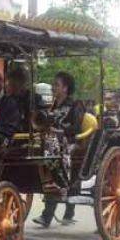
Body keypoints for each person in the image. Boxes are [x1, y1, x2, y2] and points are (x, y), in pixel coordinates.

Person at [33, 72, 84, 228]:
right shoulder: (53, 104)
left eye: (57, 85)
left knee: (52, 151)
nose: (53, 87)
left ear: (65, 88)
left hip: (68, 141)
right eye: (53, 84)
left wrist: (59, 132)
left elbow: (76, 127)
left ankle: (51, 213)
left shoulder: (76, 105)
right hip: (51, 140)